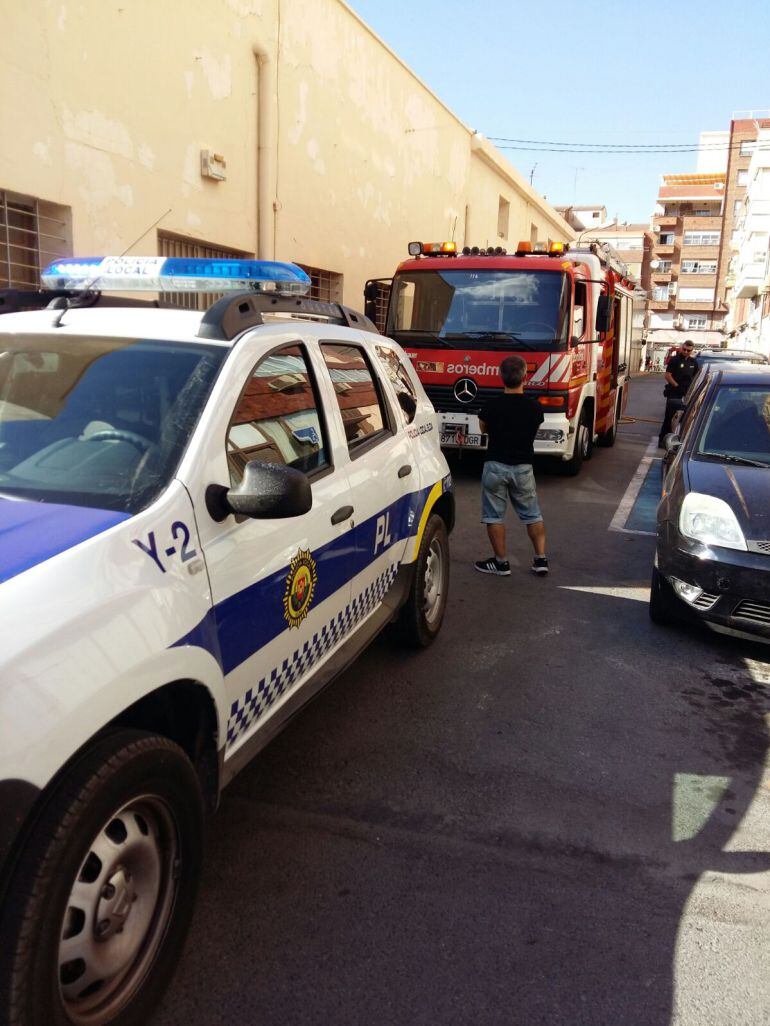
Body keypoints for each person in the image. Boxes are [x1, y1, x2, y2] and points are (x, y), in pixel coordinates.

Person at [474, 354, 548, 577]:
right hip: (523, 466)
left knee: (494, 516)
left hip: (495, 464)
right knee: (532, 514)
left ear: (500, 377)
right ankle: (540, 559)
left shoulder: (491, 406)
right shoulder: (535, 408)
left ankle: (501, 563)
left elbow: (483, 429)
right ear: (525, 376)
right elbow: (533, 430)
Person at [658, 339, 699, 447]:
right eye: (684, 349)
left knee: (684, 418)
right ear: (681, 348)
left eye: (688, 350)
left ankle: (677, 441)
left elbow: (695, 377)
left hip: (687, 393)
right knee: (670, 417)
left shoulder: (693, 362)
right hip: (674, 392)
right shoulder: (675, 360)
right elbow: (667, 375)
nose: (686, 352)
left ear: (692, 351)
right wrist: (677, 386)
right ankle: (662, 440)